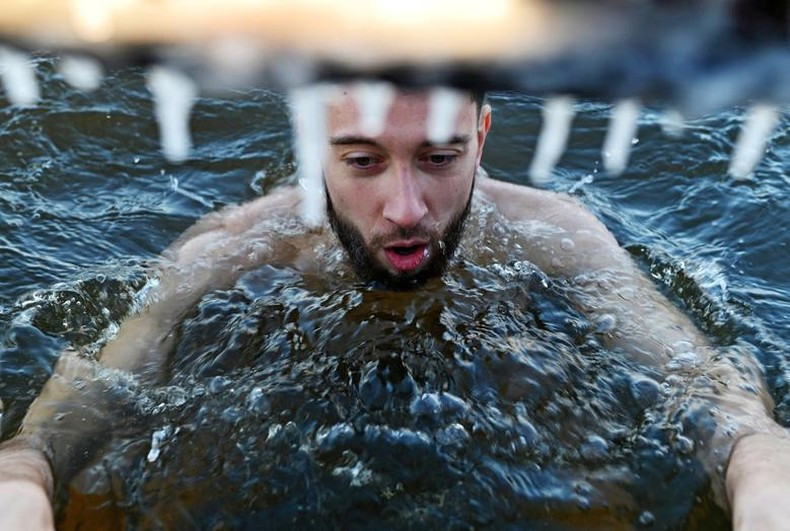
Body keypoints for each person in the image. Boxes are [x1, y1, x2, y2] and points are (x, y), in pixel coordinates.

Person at [0, 87, 788, 529]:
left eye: (440, 157)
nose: (405, 207)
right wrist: (26, 482)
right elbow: (74, 415)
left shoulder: (560, 238)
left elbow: (721, 407)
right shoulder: (232, 250)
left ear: (482, 134)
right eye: (363, 161)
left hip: (502, 384)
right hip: (276, 394)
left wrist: (757, 475)